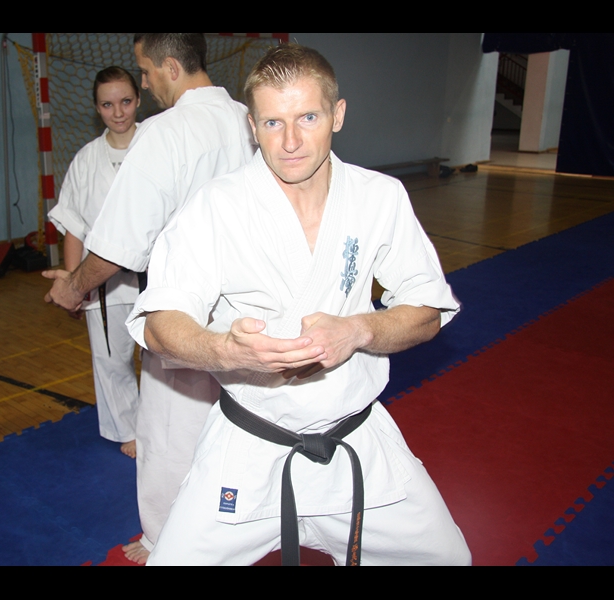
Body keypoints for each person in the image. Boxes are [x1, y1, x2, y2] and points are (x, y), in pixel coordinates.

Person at [126, 44, 471, 566]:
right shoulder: (216, 207)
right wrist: (225, 350)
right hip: (249, 442)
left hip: (355, 438)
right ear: (251, 125)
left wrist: (358, 330)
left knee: (447, 558)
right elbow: (160, 324)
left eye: (308, 117)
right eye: (272, 122)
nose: (290, 141)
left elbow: (427, 310)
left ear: (338, 114)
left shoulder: (379, 197)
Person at [43, 33, 255, 563]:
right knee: (236, 422)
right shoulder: (245, 118)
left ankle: (165, 539)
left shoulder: (166, 131)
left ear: (170, 67)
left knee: (166, 432)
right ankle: (237, 519)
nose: (144, 81)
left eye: (145, 71)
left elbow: (119, 244)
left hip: (181, 310)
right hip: (244, 306)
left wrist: (73, 286)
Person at [48, 67, 142, 458]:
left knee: (165, 362)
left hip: (156, 277)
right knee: (111, 359)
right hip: (102, 281)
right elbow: (74, 226)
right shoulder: (86, 159)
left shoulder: (158, 144)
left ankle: (161, 429)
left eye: (126, 101)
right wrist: (75, 285)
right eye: (107, 104)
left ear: (139, 100)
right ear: (96, 108)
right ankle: (129, 430)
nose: (118, 112)